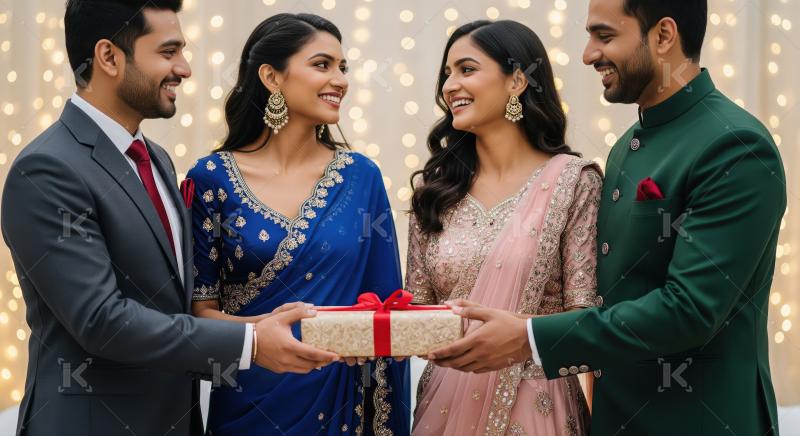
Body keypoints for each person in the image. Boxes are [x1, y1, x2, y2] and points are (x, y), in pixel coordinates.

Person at [429, 1, 784, 435]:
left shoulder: (734, 146)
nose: (588, 54)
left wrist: (529, 337)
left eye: (605, 36)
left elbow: (689, 310)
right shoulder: (629, 144)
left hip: (694, 420)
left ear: (663, 35)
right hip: (616, 420)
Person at [0, 2, 337, 435]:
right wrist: (251, 344)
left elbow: (169, 306)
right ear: (109, 57)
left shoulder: (155, 159)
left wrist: (261, 325)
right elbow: (102, 321)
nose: (185, 68)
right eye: (168, 52)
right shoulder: (47, 169)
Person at [188, 13, 410, 435]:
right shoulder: (211, 179)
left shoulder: (360, 178)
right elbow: (200, 316)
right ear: (272, 76)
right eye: (322, 64)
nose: (340, 79)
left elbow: (385, 310)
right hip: (249, 401)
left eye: (343, 67)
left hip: (344, 401)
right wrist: (267, 334)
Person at [407, 20, 601, 435]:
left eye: (466, 69)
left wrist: (524, 339)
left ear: (516, 81)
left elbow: (586, 319)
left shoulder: (574, 181)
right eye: (447, 74)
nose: (450, 86)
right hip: (443, 409)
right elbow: (416, 314)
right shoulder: (435, 190)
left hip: (537, 409)